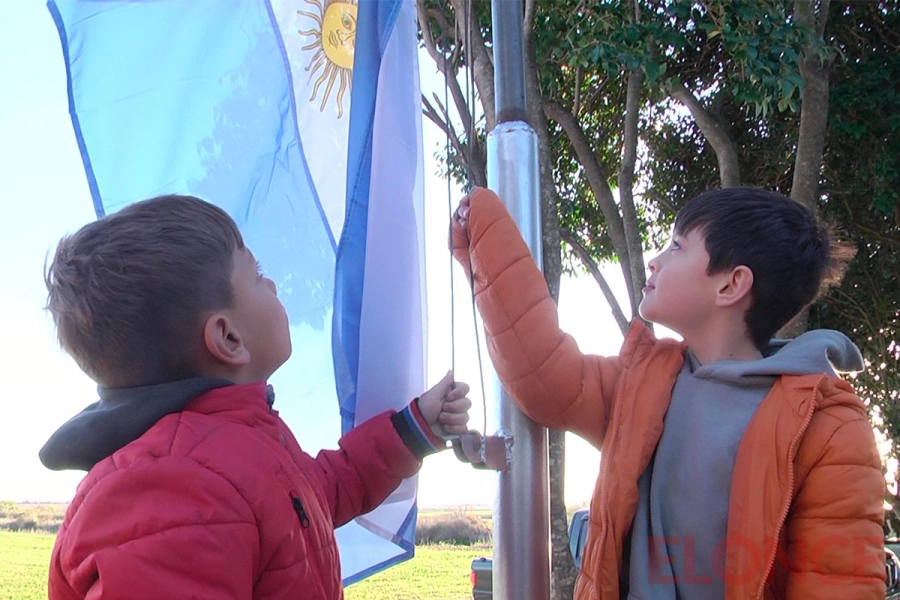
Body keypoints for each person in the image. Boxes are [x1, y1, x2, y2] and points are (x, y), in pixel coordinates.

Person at [450, 186, 885, 600]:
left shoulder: (825, 425)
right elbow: (541, 371)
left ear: (731, 285)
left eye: (677, 246)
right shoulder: (643, 385)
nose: (655, 261)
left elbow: (838, 583)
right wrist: (484, 227)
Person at [41, 194, 471, 600]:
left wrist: (414, 427)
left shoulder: (240, 447)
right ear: (227, 338)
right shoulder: (175, 493)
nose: (274, 285)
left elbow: (321, 491)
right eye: (256, 273)